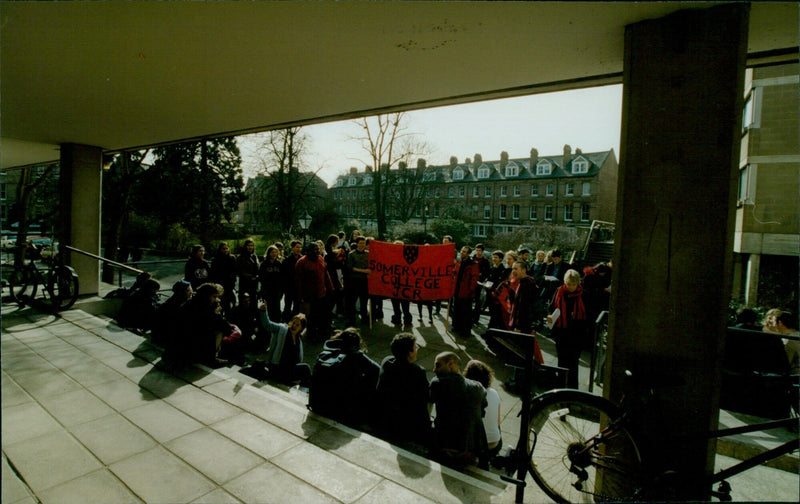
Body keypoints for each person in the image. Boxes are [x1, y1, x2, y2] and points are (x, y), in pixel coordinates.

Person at [308, 327, 380, 428]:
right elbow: (378, 370)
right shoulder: (356, 356)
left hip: (318, 406)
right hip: (341, 412)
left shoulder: (326, 354)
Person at [428, 351, 487, 466]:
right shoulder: (479, 387)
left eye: (437, 365)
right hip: (470, 449)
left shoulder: (437, 383)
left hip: (444, 446)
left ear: (451, 364)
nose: (434, 370)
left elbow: (427, 409)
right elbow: (481, 413)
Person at [376, 332, 431, 445]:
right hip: (406, 421)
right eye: (415, 347)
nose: (417, 350)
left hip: (386, 416)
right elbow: (424, 398)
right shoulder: (417, 372)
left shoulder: (387, 362)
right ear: (409, 353)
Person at [170, 282, 231, 367]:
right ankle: (211, 359)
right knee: (217, 331)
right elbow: (224, 327)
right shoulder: (204, 308)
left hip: (179, 346)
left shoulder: (191, 303)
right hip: (190, 347)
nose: (216, 299)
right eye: (214, 297)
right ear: (207, 296)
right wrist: (216, 314)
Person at [549, 269, 586, 389]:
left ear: (578, 284)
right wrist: (551, 317)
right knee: (562, 362)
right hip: (562, 333)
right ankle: (560, 387)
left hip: (577, 334)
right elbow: (551, 307)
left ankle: (572, 389)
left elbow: (588, 315)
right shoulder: (559, 291)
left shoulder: (583, 294)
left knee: (573, 363)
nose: (571, 287)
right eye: (568, 284)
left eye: (573, 284)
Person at [257, 302, 311, 384]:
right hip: (278, 368)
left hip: (290, 369)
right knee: (305, 369)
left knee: (305, 369)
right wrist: (263, 311)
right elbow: (267, 325)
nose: (294, 326)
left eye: (297, 325)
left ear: (300, 328)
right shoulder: (282, 329)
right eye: (294, 323)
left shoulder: (298, 340)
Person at [463, 360, 502, 468]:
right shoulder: (494, 393)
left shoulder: (466, 392)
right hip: (493, 443)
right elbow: (498, 422)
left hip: (472, 444)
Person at [295, 242, 334, 341]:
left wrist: (331, 287)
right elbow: (298, 282)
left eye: (318, 249)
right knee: (312, 317)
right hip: (309, 295)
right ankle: (311, 336)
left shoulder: (320, 258)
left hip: (322, 293)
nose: (317, 251)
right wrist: (300, 298)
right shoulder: (301, 262)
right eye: (314, 250)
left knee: (323, 315)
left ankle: (323, 333)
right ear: (308, 251)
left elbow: (325, 273)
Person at [151, 279, 192, 347]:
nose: (191, 292)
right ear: (180, 292)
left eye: (191, 289)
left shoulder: (175, 302)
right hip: (166, 339)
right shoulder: (173, 307)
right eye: (188, 290)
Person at [452, 246, 480, 336]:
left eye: (464, 252)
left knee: (466, 312)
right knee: (457, 309)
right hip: (457, 290)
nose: (462, 253)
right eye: (461, 251)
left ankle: (465, 330)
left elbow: (474, 279)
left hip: (466, 292)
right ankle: (457, 326)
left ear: (468, 254)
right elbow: (454, 273)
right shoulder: (459, 262)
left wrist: (470, 290)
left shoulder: (473, 264)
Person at [510, 260, 542, 333]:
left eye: (516, 269)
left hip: (522, 325)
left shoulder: (525, 285)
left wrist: (518, 326)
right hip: (525, 323)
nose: (513, 271)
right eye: (512, 269)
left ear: (523, 270)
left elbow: (523, 307)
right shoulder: (526, 282)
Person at [485, 250, 512, 330]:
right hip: (489, 291)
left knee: (495, 314)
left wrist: (492, 287)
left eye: (496, 257)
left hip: (496, 293)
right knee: (492, 312)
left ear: (500, 259)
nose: (494, 259)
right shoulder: (493, 267)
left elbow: (500, 282)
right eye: (493, 257)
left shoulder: (502, 269)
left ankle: (491, 330)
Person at [346, 236, 370, 326]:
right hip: (354, 281)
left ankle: (364, 319)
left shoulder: (368, 254)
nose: (362, 245)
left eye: (363, 243)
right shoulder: (351, 254)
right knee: (352, 302)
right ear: (357, 244)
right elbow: (351, 268)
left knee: (364, 302)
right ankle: (352, 321)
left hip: (365, 282)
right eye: (360, 243)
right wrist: (364, 271)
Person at [210, 242, 237, 315]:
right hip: (219, 286)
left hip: (229, 286)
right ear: (220, 249)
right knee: (219, 305)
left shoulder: (232, 258)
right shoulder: (215, 260)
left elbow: (234, 272)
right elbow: (213, 274)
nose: (225, 250)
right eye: (223, 249)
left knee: (229, 306)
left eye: (226, 248)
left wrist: (232, 283)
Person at [324, 234, 347, 320]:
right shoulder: (329, 253)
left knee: (335, 295)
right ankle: (333, 313)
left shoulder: (330, 250)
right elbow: (334, 264)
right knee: (336, 295)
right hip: (332, 275)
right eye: (336, 241)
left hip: (332, 274)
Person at [258, 245, 283, 320]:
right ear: (268, 253)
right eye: (272, 252)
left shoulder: (279, 264)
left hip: (277, 290)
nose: (274, 254)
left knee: (276, 309)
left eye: (276, 252)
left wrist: (281, 290)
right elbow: (261, 277)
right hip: (267, 290)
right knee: (268, 309)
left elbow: (282, 278)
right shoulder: (264, 264)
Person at [281, 240, 303, 321]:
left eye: (300, 247)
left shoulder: (302, 259)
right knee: (287, 306)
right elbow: (283, 275)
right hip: (289, 287)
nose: (298, 249)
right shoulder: (286, 260)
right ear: (292, 248)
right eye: (297, 247)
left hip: (298, 287)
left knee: (297, 306)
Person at [236, 238, 260, 303]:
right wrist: (251, 277)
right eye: (248, 245)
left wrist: (257, 277)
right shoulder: (240, 257)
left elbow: (257, 269)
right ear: (245, 246)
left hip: (254, 285)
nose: (250, 247)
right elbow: (239, 271)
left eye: (252, 245)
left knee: (254, 303)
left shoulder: (254, 256)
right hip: (244, 284)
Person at [472, 244, 491, 323]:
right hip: (471, 281)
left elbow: (487, 273)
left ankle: (476, 318)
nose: (478, 252)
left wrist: (481, 276)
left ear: (482, 251)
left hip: (479, 282)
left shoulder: (485, 261)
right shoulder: (472, 259)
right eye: (477, 250)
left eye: (479, 250)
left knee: (478, 301)